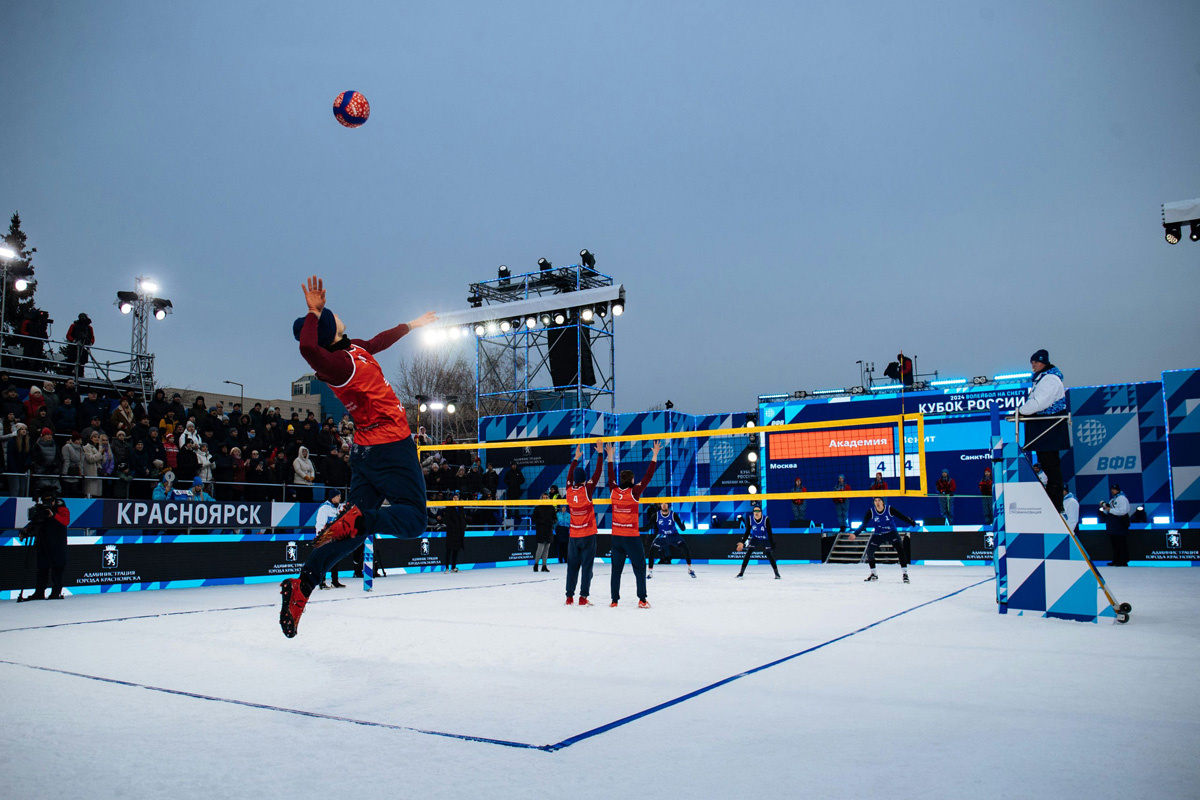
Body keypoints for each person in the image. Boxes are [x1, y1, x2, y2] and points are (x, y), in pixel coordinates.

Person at [278, 276, 437, 638]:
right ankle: (361, 518)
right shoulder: (336, 364)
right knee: (414, 521)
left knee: (350, 531)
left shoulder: (355, 350)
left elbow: (379, 341)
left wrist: (412, 325)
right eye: (333, 318)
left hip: (366, 452)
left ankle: (301, 588)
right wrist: (313, 313)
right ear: (330, 330)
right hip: (390, 446)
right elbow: (308, 349)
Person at [606, 441, 661, 608]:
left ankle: (614, 601)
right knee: (639, 569)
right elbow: (649, 476)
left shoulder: (614, 490)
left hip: (617, 537)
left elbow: (609, 476)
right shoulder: (634, 491)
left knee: (616, 571)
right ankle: (642, 600)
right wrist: (655, 454)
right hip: (631, 537)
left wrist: (609, 456)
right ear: (632, 479)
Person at [1018, 349, 1068, 512]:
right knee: (1048, 466)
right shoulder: (1041, 379)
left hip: (1049, 429)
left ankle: (1055, 504)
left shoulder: (1050, 380)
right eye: (1031, 363)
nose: (1033, 365)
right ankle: (1052, 501)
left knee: (1051, 467)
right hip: (1043, 431)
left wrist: (1020, 411)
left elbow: (1039, 403)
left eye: (1036, 362)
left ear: (1044, 362)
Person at [564, 441, 605, 606]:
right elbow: (598, 472)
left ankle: (569, 597)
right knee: (587, 567)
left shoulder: (568, 490)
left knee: (572, 567)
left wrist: (575, 459)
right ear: (584, 479)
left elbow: (568, 478)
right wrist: (600, 454)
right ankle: (583, 597)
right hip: (587, 535)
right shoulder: (587, 489)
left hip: (574, 536)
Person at [20, 485, 71, 601]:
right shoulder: (40, 510)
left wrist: (53, 515)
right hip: (43, 543)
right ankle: (39, 592)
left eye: (50, 501)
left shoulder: (62, 509)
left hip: (57, 545)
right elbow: (34, 523)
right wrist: (25, 532)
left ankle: (56, 592)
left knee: (57, 569)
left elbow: (65, 521)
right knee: (42, 569)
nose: (48, 504)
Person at [849, 497, 916, 583]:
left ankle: (905, 574)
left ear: (883, 502)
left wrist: (911, 522)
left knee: (900, 548)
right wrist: (855, 534)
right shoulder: (871, 511)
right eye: (875, 501)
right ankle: (874, 574)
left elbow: (901, 516)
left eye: (879, 500)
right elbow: (863, 524)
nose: (877, 502)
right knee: (869, 551)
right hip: (878, 534)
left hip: (891, 532)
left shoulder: (889, 509)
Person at [647, 502, 695, 579]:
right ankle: (650, 572)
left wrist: (683, 526)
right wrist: (636, 529)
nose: (664, 505)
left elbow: (682, 529)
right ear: (660, 506)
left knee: (685, 548)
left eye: (665, 504)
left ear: (668, 505)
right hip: (661, 535)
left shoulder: (673, 514)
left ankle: (690, 569)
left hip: (673, 535)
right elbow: (647, 527)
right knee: (652, 551)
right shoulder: (656, 515)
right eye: (662, 504)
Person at [313, 488, 347, 589]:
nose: (340, 498)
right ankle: (322, 582)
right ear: (332, 497)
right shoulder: (324, 508)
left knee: (335, 559)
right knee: (323, 560)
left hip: (336, 537)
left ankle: (335, 581)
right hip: (326, 538)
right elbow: (320, 525)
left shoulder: (339, 508)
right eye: (338, 496)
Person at [736, 505, 780, 579]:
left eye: (758, 511)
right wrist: (742, 542)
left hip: (765, 539)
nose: (756, 513)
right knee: (748, 553)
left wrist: (771, 543)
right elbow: (747, 532)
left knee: (769, 555)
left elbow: (770, 532)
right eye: (755, 511)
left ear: (761, 512)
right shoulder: (750, 519)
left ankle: (777, 573)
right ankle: (741, 573)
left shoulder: (766, 519)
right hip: (755, 538)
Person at [1100, 483, 1130, 567]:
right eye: (1112, 489)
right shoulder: (1113, 499)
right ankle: (1116, 560)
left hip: (1119, 523)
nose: (1112, 491)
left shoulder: (1122, 498)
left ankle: (1123, 561)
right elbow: (1107, 511)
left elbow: (1123, 511)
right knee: (1115, 543)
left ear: (1118, 490)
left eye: (1114, 489)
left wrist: (1110, 510)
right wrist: (1105, 507)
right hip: (1113, 524)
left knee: (1121, 543)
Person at [441, 491, 467, 573]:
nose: (456, 499)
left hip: (459, 531)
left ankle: (453, 567)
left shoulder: (460, 507)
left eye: (457, 497)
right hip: (452, 531)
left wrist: (463, 526)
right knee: (449, 550)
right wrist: (452, 526)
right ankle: (447, 568)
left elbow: (462, 517)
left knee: (456, 549)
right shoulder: (449, 507)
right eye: (454, 497)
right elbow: (447, 519)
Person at [531, 491, 556, 572]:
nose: (545, 499)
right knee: (540, 547)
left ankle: (544, 565)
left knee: (546, 549)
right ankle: (536, 564)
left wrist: (552, 522)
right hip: (541, 529)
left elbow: (555, 518)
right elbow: (533, 518)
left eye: (546, 497)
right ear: (541, 498)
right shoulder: (538, 508)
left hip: (548, 529)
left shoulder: (551, 507)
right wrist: (541, 521)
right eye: (543, 497)